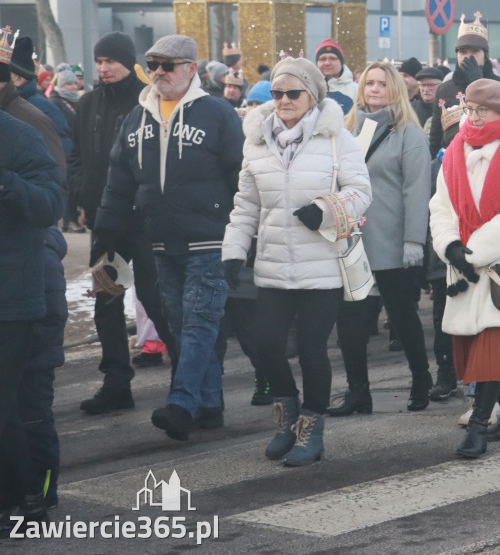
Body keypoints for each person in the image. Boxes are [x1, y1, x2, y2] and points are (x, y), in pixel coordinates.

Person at [93, 34, 244, 441]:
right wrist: (105, 229)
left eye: (168, 65)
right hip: (160, 240)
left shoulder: (217, 113)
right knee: (178, 324)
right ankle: (210, 403)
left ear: (191, 69)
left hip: (210, 240)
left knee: (198, 323)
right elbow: (118, 180)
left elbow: (240, 177)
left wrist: (242, 232)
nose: (158, 72)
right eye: (153, 64)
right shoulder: (137, 117)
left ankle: (182, 402)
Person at [222, 57, 370, 466]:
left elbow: (361, 192)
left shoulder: (338, 139)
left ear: (313, 95)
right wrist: (233, 251)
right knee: (267, 347)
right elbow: (245, 205)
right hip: (272, 265)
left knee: (311, 351)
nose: (284, 101)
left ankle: (311, 429)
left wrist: (325, 209)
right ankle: (285, 418)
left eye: (293, 93)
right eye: (277, 93)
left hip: (322, 266)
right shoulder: (256, 140)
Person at [428, 78, 500, 458]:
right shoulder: (456, 148)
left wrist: (471, 252)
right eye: (471, 109)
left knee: (495, 342)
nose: (474, 117)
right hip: (464, 265)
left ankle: (478, 425)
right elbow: (441, 207)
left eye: (483, 111)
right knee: (477, 344)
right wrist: (451, 247)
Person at [69, 32, 175, 415]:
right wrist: (82, 192)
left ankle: (186, 377)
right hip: (104, 225)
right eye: (99, 62)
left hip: (142, 225)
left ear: (127, 63)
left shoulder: (148, 101)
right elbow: (76, 156)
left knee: (155, 299)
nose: (103, 68)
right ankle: (116, 382)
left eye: (110, 61)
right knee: (107, 303)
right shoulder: (87, 104)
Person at [329, 61, 432, 414]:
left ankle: (422, 380)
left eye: (381, 83)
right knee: (350, 322)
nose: (373, 89)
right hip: (352, 240)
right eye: (368, 83)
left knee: (402, 317)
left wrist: (414, 242)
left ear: (395, 90)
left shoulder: (410, 135)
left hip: (392, 242)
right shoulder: (345, 129)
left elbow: (416, 192)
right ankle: (359, 392)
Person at [0, 108, 65, 534]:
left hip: (11, 298)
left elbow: (51, 204)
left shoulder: (19, 136)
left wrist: (8, 183)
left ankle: (28, 496)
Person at [429, 13, 500, 157]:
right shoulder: (444, 90)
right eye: (463, 52)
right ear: (457, 55)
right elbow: (435, 138)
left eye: (475, 51)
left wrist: (477, 81)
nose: (469, 57)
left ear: (485, 55)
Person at [8, 38, 72, 161]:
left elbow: (60, 155)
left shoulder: (43, 110)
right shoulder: (8, 104)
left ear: (19, 78)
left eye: (4, 73)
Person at [314, 39, 355, 113]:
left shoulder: (356, 90)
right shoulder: (308, 89)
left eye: (332, 58)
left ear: (341, 62)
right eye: (322, 59)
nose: (327, 63)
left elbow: (370, 116)